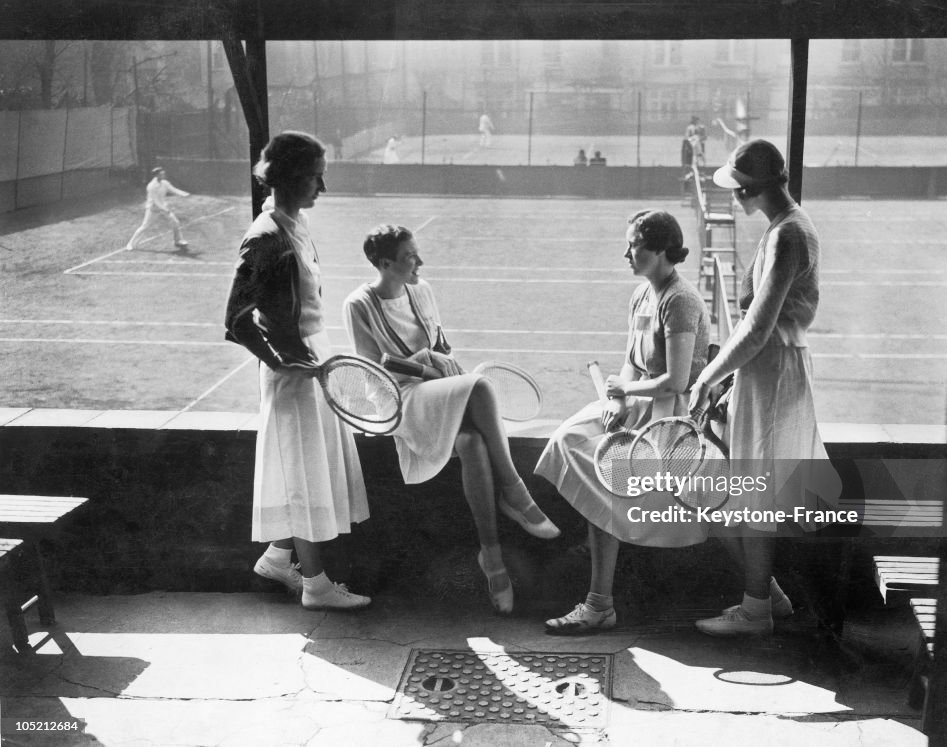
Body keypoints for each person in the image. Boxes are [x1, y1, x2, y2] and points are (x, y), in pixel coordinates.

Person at [344, 225, 560, 615]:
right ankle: (515, 490)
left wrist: (441, 359)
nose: (419, 262)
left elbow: (440, 345)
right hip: (399, 400)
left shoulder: (421, 290)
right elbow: (372, 371)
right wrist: (426, 363)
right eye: (410, 257)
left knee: (473, 443)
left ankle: (492, 561)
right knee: (478, 387)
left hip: (432, 390)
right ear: (384, 263)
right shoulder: (358, 304)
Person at [687, 139, 841, 637]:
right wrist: (732, 385)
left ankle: (757, 611)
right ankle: (765, 597)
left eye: (739, 188)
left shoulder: (787, 235)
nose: (734, 197)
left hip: (775, 371)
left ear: (752, 189)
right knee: (754, 490)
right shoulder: (786, 229)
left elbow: (756, 328)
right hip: (769, 372)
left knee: (756, 494)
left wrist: (710, 377)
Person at [537, 209, 711, 634]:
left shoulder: (680, 299)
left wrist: (625, 393)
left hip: (671, 419)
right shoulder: (642, 294)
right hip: (636, 406)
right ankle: (599, 602)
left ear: (658, 250)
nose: (626, 253)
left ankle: (599, 604)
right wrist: (617, 397)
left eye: (633, 245)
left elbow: (676, 381)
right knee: (567, 438)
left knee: (607, 474)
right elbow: (632, 364)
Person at [224, 131, 371, 612]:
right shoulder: (265, 235)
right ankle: (315, 585)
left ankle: (277, 557)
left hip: (313, 359)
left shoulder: (295, 224)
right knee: (304, 472)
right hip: (295, 373)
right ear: (287, 177)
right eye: (314, 176)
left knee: (309, 466)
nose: (322, 187)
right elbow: (236, 318)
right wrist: (282, 359)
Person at [125, 166, 191, 251]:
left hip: (163, 207)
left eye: (163, 173)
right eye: (161, 174)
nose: (163, 175)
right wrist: (165, 209)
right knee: (145, 226)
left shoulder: (165, 183)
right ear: (156, 176)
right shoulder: (151, 186)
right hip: (153, 209)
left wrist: (183, 194)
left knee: (175, 222)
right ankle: (130, 244)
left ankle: (178, 241)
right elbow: (156, 201)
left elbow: (173, 190)